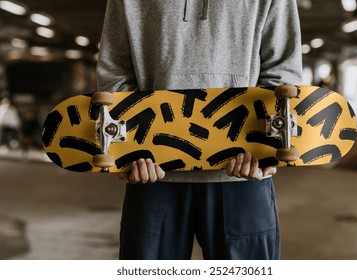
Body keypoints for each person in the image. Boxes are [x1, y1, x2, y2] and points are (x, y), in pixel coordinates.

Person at [97, 0, 302, 260]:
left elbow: (282, 71)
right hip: (153, 173)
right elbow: (115, 71)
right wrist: (129, 149)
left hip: (242, 172)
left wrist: (266, 151)